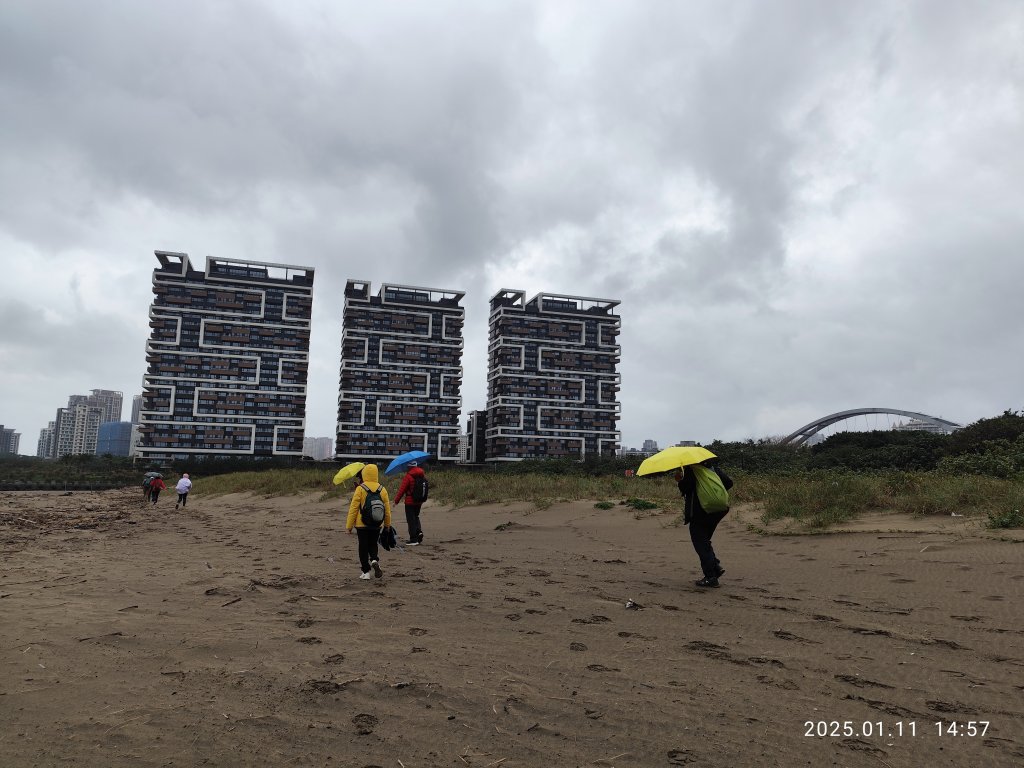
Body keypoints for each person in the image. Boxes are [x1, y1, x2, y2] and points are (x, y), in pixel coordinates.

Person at [676, 460, 733, 588]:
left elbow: (685, 488)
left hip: (700, 511)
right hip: (718, 510)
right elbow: (729, 483)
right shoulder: (712, 468)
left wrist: (680, 479)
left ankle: (711, 577)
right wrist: (713, 491)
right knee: (704, 540)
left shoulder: (690, 470)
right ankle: (715, 567)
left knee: (700, 542)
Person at [345, 463, 392, 580]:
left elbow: (354, 508)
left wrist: (349, 526)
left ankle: (366, 572)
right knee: (373, 544)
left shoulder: (360, 488)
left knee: (363, 547)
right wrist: (387, 525)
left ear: (364, 474)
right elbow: (387, 510)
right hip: (377, 524)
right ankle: (375, 560)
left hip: (362, 524)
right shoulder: (382, 489)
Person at [393, 461, 427, 546]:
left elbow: (402, 490)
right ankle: (418, 532)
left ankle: (413, 539)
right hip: (419, 501)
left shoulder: (408, 476)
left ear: (409, 467)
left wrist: (396, 501)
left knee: (410, 520)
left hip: (410, 501)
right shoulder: (422, 474)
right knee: (416, 517)